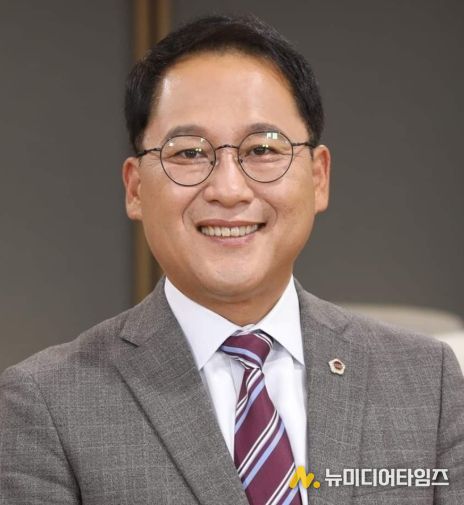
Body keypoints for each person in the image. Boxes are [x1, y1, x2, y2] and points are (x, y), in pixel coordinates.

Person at [1, 14, 463, 505]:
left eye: (262, 149)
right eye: (188, 153)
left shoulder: (425, 379)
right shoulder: (45, 404)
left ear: (318, 177)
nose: (228, 189)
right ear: (135, 189)